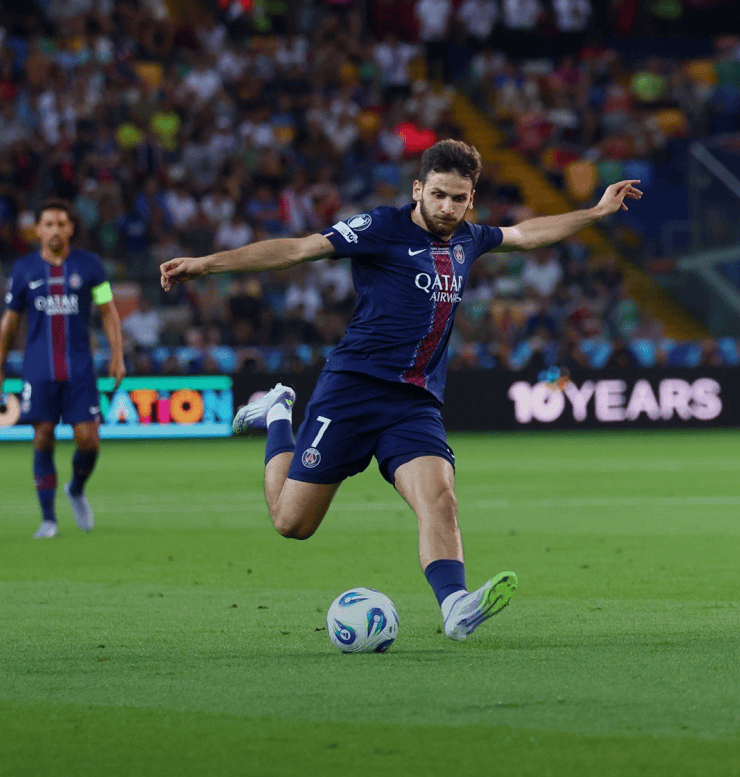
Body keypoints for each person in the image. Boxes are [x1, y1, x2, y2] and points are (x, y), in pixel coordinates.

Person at [160, 140, 642, 640]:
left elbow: (525, 234)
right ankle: (279, 412)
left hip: (413, 402)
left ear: (471, 199)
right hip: (352, 391)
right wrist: (207, 264)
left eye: (458, 198)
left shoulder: (470, 238)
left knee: (441, 498)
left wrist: (595, 212)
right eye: (438, 195)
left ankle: (455, 606)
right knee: (292, 523)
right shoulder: (379, 227)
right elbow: (298, 250)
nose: (447, 208)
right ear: (418, 189)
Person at [0, 198, 126, 539]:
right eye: (49, 224)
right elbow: (10, 323)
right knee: (42, 436)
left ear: (70, 228)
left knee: (89, 441)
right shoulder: (24, 270)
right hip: (39, 369)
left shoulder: (91, 265)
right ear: (38, 230)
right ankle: (48, 519)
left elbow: (108, 310)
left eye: (61, 223)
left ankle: (76, 489)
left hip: (79, 369)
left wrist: (117, 356)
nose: (55, 229)